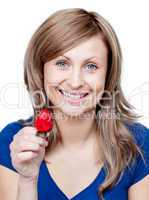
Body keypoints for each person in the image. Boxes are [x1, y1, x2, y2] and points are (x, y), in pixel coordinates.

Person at [0, 8, 149, 200]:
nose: (76, 81)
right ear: (41, 68)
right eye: (62, 63)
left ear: (108, 75)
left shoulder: (140, 144)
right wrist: (27, 180)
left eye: (91, 66)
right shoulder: (13, 143)